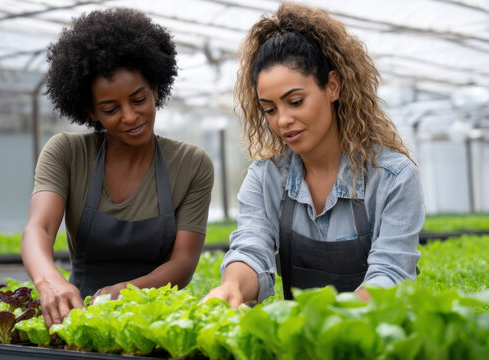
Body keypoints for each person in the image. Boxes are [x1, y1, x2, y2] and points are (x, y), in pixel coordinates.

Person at [202, 2, 424, 307]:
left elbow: (391, 274)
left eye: (295, 101)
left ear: (332, 86)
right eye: (269, 109)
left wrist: (328, 318)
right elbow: (251, 249)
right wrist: (233, 286)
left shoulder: (392, 177)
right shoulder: (266, 176)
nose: (282, 120)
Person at [21, 8, 214, 327]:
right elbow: (38, 229)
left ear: (155, 89)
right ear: (92, 112)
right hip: (79, 317)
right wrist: (48, 282)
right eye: (110, 109)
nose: (129, 116)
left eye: (138, 99)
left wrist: (123, 293)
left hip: (159, 323)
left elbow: (182, 264)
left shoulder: (192, 164)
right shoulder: (67, 153)